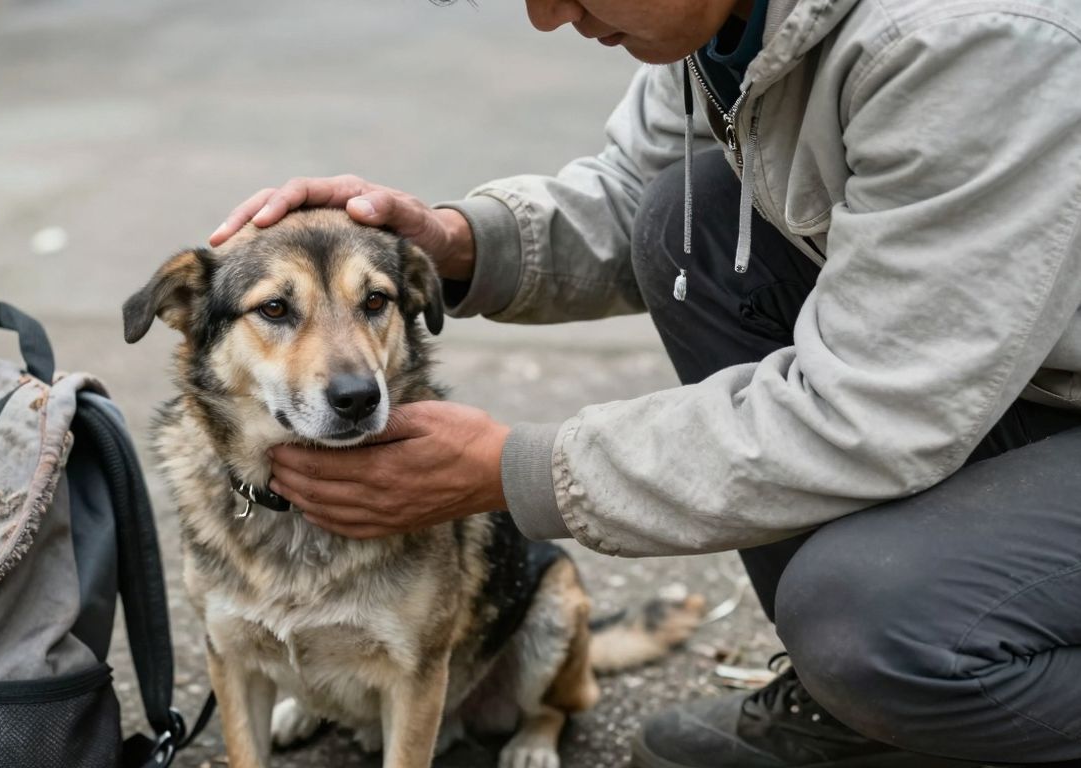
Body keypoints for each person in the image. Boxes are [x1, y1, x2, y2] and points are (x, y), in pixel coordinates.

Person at [209, 0, 1081, 766]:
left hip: (1006, 397)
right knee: (684, 218)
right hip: (998, 371)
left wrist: (518, 469)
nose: (547, 16)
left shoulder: (966, 39)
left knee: (867, 621)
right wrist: (458, 241)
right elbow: (633, 193)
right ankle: (862, 703)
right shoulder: (732, 26)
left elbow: (871, 408)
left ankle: (901, 675)